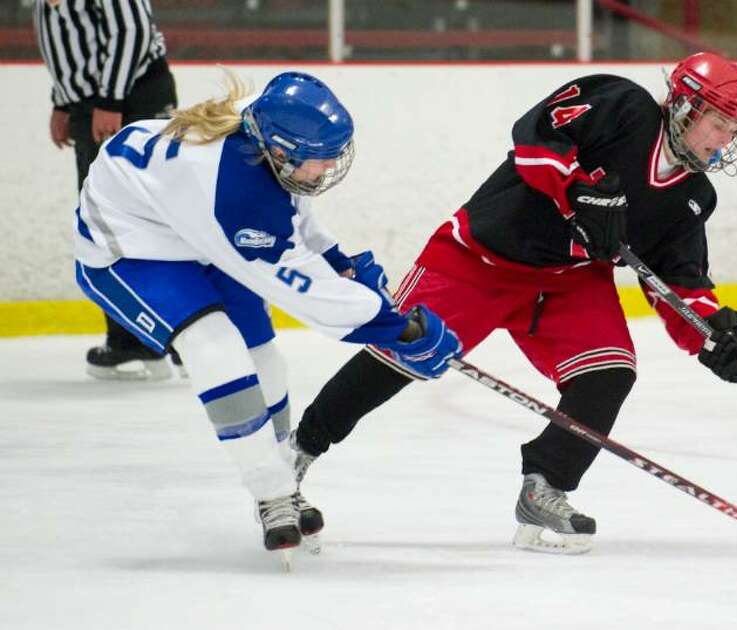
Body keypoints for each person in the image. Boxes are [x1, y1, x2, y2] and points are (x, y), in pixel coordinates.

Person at [290, 52, 737, 554]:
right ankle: (296, 453)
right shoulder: (622, 106)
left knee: (609, 372)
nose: (724, 141)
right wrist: (577, 191)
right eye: (718, 123)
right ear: (685, 106)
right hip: (480, 257)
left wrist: (711, 332)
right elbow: (534, 136)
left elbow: (677, 279)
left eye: (734, 131)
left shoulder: (692, 195)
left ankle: (545, 487)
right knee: (400, 353)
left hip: (567, 282)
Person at [73, 70, 462, 561]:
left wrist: (337, 261)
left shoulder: (267, 124)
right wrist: (398, 330)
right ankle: (270, 491)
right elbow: (304, 294)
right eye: (317, 163)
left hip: (190, 226)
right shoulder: (229, 192)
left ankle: (279, 473)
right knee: (215, 347)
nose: (325, 170)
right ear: (279, 151)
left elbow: (292, 215)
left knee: (263, 356)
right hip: (128, 246)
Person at [34, 0, 181, 381]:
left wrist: (110, 99)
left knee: (155, 217)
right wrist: (63, 101)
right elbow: (64, 34)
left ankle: (180, 334)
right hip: (97, 102)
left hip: (131, 98)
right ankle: (136, 338)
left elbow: (130, 29)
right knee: (105, 221)